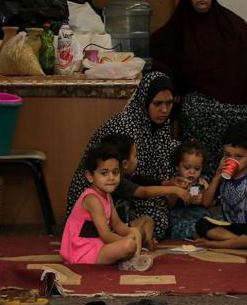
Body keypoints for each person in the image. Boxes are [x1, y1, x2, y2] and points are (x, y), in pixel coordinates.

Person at [150, 0, 247, 185]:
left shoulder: (229, 21)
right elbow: (160, 56)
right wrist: (173, 88)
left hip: (240, 94)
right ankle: (202, 176)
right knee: (194, 111)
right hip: (202, 96)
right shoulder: (179, 27)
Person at [65, 73, 182, 240]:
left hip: (127, 188)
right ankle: (129, 238)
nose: (164, 110)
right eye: (157, 103)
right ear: (145, 101)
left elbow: (147, 174)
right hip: (100, 190)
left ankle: (135, 237)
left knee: (158, 217)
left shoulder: (161, 126)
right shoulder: (126, 127)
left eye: (169, 103)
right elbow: (126, 180)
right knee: (149, 216)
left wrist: (166, 182)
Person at [60, 143, 152, 271]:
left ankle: (132, 258)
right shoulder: (92, 200)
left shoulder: (107, 196)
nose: (111, 178)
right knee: (129, 245)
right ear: (90, 176)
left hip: (98, 244)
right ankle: (131, 259)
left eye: (115, 172)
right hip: (83, 251)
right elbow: (106, 235)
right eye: (104, 173)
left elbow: (117, 224)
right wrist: (129, 240)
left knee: (136, 232)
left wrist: (133, 233)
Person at [101, 132, 192, 247]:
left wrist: (168, 183)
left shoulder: (127, 177)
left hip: (123, 225)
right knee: (138, 230)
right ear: (125, 164)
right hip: (113, 231)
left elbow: (144, 181)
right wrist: (174, 190)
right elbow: (144, 192)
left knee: (147, 220)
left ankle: (147, 244)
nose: (137, 159)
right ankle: (139, 245)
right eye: (135, 156)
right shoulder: (116, 182)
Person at [195, 122, 247, 249]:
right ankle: (238, 242)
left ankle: (217, 244)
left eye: (238, 156)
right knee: (202, 224)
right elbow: (206, 202)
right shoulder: (222, 178)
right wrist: (216, 177)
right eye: (227, 155)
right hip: (230, 227)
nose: (232, 160)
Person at [167, 141, 224, 239]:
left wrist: (202, 199)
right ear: (177, 166)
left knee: (219, 220)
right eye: (187, 167)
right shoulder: (174, 182)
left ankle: (216, 234)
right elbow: (169, 204)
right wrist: (178, 191)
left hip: (201, 215)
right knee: (185, 226)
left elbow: (209, 203)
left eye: (197, 169)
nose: (192, 172)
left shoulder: (202, 182)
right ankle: (203, 236)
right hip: (182, 215)